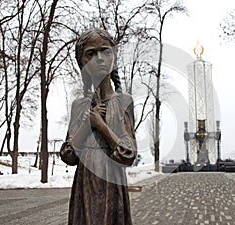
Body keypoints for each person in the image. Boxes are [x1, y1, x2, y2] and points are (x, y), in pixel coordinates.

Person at [60, 28, 137, 225]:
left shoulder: (123, 102)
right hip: (84, 185)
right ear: (82, 63)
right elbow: (68, 155)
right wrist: (86, 125)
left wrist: (102, 127)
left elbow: (128, 154)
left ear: (114, 57)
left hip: (112, 181)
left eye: (106, 51)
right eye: (91, 54)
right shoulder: (79, 106)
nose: (99, 58)